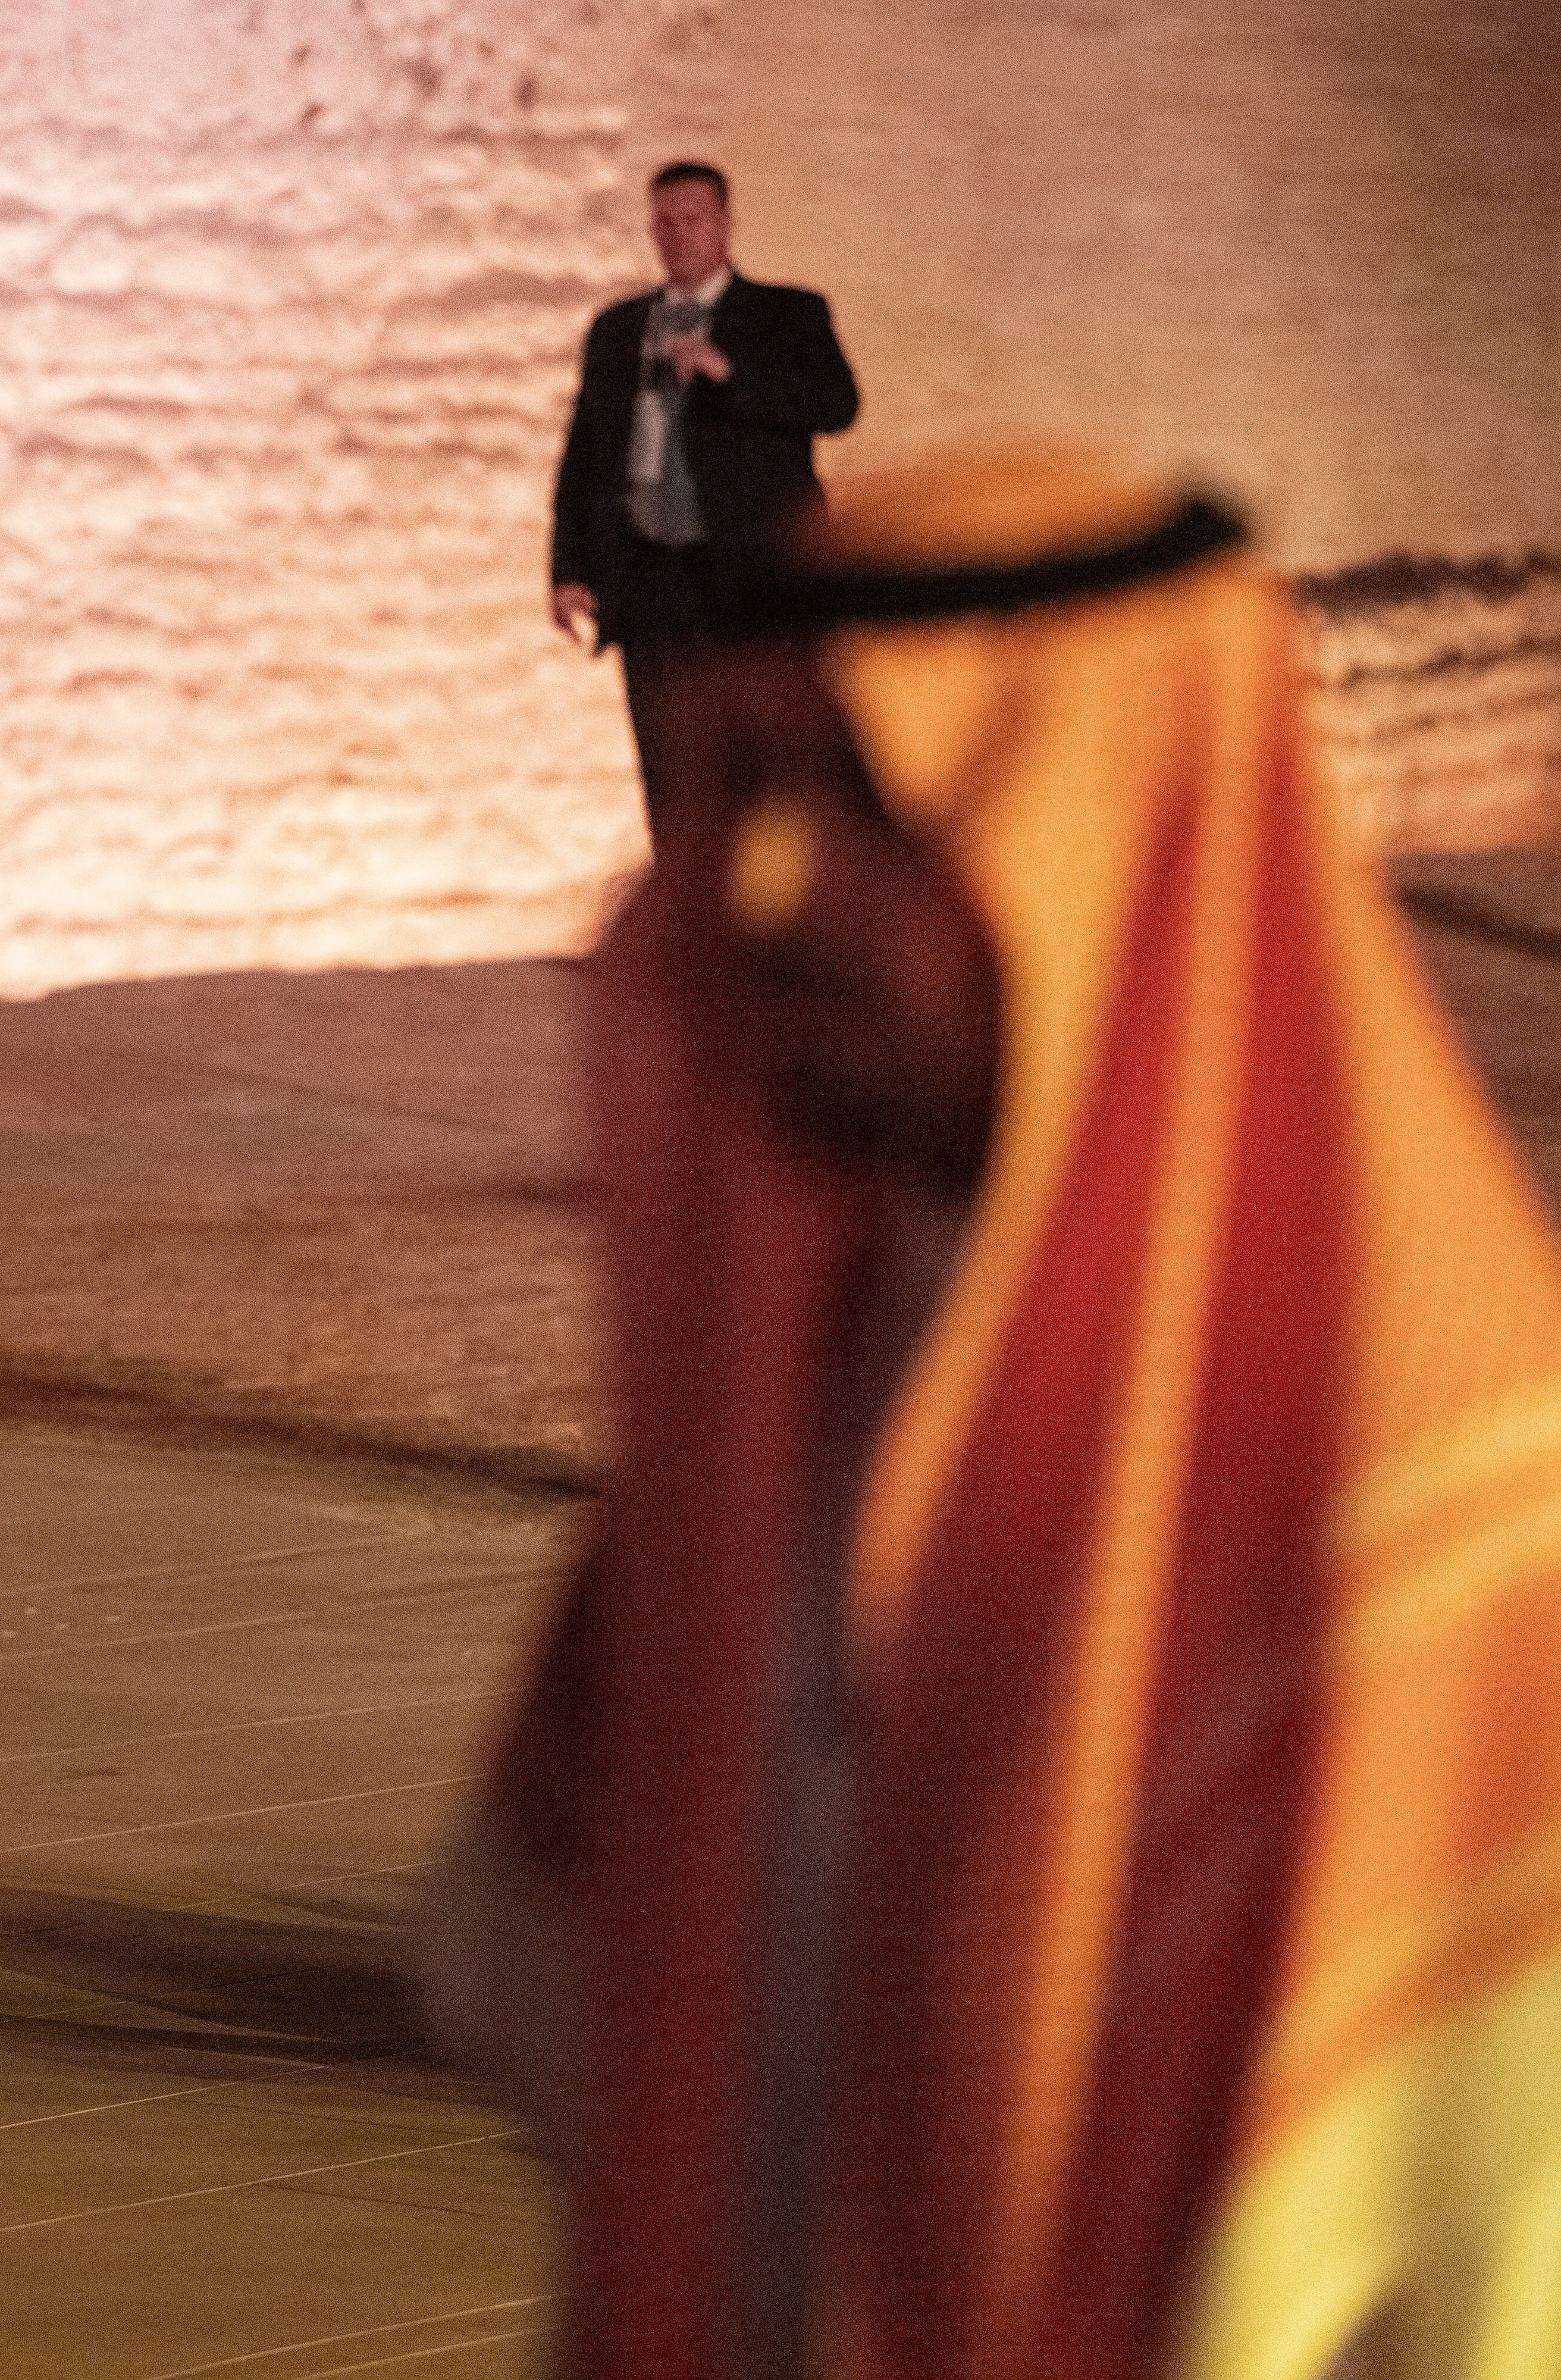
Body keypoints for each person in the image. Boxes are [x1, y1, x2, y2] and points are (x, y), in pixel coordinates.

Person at [429, 447, 1561, 2379]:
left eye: (867, 806)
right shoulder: (812, 1354)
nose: (766, 884)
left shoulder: (1437, 1474)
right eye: (748, 791)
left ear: (1096, 844)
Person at [547, 160, 858, 841]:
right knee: (666, 759)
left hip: (751, 574)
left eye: (693, 218)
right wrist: (569, 569)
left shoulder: (786, 314)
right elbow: (585, 454)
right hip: (649, 572)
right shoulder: (618, 330)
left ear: (724, 223)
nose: (678, 234)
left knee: (766, 759)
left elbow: (836, 406)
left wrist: (731, 372)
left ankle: (769, 930)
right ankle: (685, 928)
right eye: (665, 220)